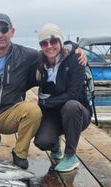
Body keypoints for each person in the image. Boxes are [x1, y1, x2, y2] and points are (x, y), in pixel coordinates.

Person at [0, 14, 86, 169]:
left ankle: (19, 154)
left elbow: (52, 50)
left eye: (4, 29)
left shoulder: (25, 55)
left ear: (12, 31)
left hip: (12, 111)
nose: (0, 34)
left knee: (33, 111)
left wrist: (75, 49)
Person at [34, 23, 92, 172]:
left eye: (53, 41)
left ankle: (71, 156)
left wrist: (43, 102)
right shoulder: (40, 61)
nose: (49, 46)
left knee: (71, 105)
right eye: (44, 43)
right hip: (53, 113)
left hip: (77, 112)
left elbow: (73, 94)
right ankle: (55, 144)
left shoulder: (75, 59)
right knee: (42, 142)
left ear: (60, 41)